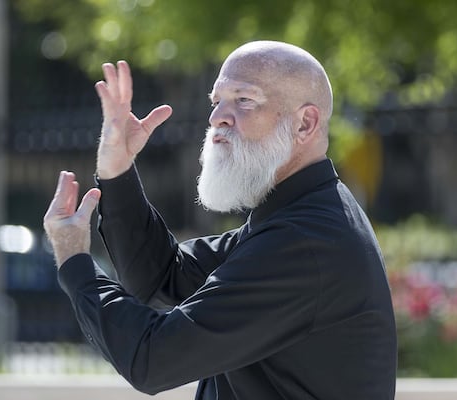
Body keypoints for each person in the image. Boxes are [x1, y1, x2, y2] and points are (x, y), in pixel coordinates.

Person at [44, 40, 397, 399]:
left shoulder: (305, 241)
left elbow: (151, 360)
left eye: (244, 100)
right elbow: (163, 276)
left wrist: (75, 262)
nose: (217, 118)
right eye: (217, 102)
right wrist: (117, 169)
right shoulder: (298, 218)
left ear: (305, 123)